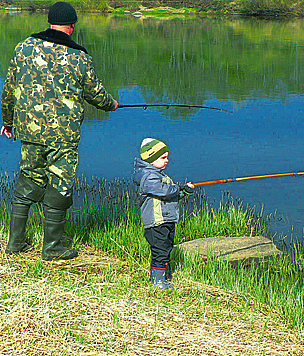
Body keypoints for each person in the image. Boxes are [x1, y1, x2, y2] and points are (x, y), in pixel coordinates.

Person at [1, 1, 119, 260]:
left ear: (50, 22)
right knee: (60, 186)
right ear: (72, 25)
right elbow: (94, 94)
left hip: (29, 131)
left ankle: (15, 243)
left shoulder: (24, 48)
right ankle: (52, 248)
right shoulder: (79, 56)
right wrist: (112, 104)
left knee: (27, 181)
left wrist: (8, 122)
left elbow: (9, 91)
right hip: (63, 137)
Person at [132, 138, 195, 290]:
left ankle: (162, 277)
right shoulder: (149, 176)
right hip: (156, 221)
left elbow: (169, 195)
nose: (167, 160)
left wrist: (184, 192)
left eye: (167, 157)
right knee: (160, 250)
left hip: (167, 219)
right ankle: (158, 282)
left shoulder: (159, 175)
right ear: (151, 158)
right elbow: (162, 190)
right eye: (163, 157)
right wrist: (178, 188)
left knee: (166, 248)